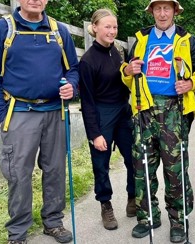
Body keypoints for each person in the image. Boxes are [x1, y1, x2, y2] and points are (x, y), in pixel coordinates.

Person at [0, 0, 79, 243]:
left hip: (55, 112)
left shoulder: (59, 30)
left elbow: (73, 69)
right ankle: (17, 232)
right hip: (19, 112)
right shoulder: (2, 29)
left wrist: (72, 87)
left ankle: (53, 222)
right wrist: (3, 115)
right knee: (18, 174)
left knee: (56, 170)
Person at [120, 0, 195, 242]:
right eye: (157, 9)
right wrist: (127, 72)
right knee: (142, 168)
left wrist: (191, 84)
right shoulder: (141, 38)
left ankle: (178, 220)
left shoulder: (187, 39)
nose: (162, 13)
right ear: (152, 11)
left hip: (174, 110)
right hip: (144, 109)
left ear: (175, 11)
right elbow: (127, 74)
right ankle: (147, 217)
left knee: (176, 169)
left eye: (166, 9)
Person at [78, 8, 136, 231]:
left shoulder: (118, 52)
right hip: (101, 114)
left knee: (134, 158)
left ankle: (133, 199)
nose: (112, 31)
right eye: (107, 27)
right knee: (101, 165)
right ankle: (106, 204)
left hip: (123, 111)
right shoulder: (88, 61)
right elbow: (87, 102)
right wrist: (95, 134)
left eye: (115, 27)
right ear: (94, 28)